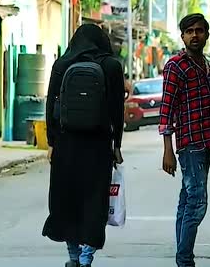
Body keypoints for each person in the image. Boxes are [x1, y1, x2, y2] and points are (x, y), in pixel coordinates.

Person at [42, 24, 125, 267]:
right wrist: (116, 144)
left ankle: (73, 258)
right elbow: (117, 110)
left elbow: (50, 106)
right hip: (98, 146)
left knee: (67, 201)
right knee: (94, 202)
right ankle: (87, 258)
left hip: (66, 145)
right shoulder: (110, 66)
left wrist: (51, 142)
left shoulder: (62, 64)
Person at [159, 13, 210, 267]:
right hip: (189, 145)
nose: (194, 35)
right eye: (189, 31)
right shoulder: (175, 66)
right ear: (182, 36)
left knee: (187, 201)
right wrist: (168, 150)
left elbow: (207, 110)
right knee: (197, 202)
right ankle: (185, 260)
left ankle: (182, 257)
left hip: (205, 145)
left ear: (206, 35)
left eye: (199, 31)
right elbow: (166, 110)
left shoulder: (203, 66)